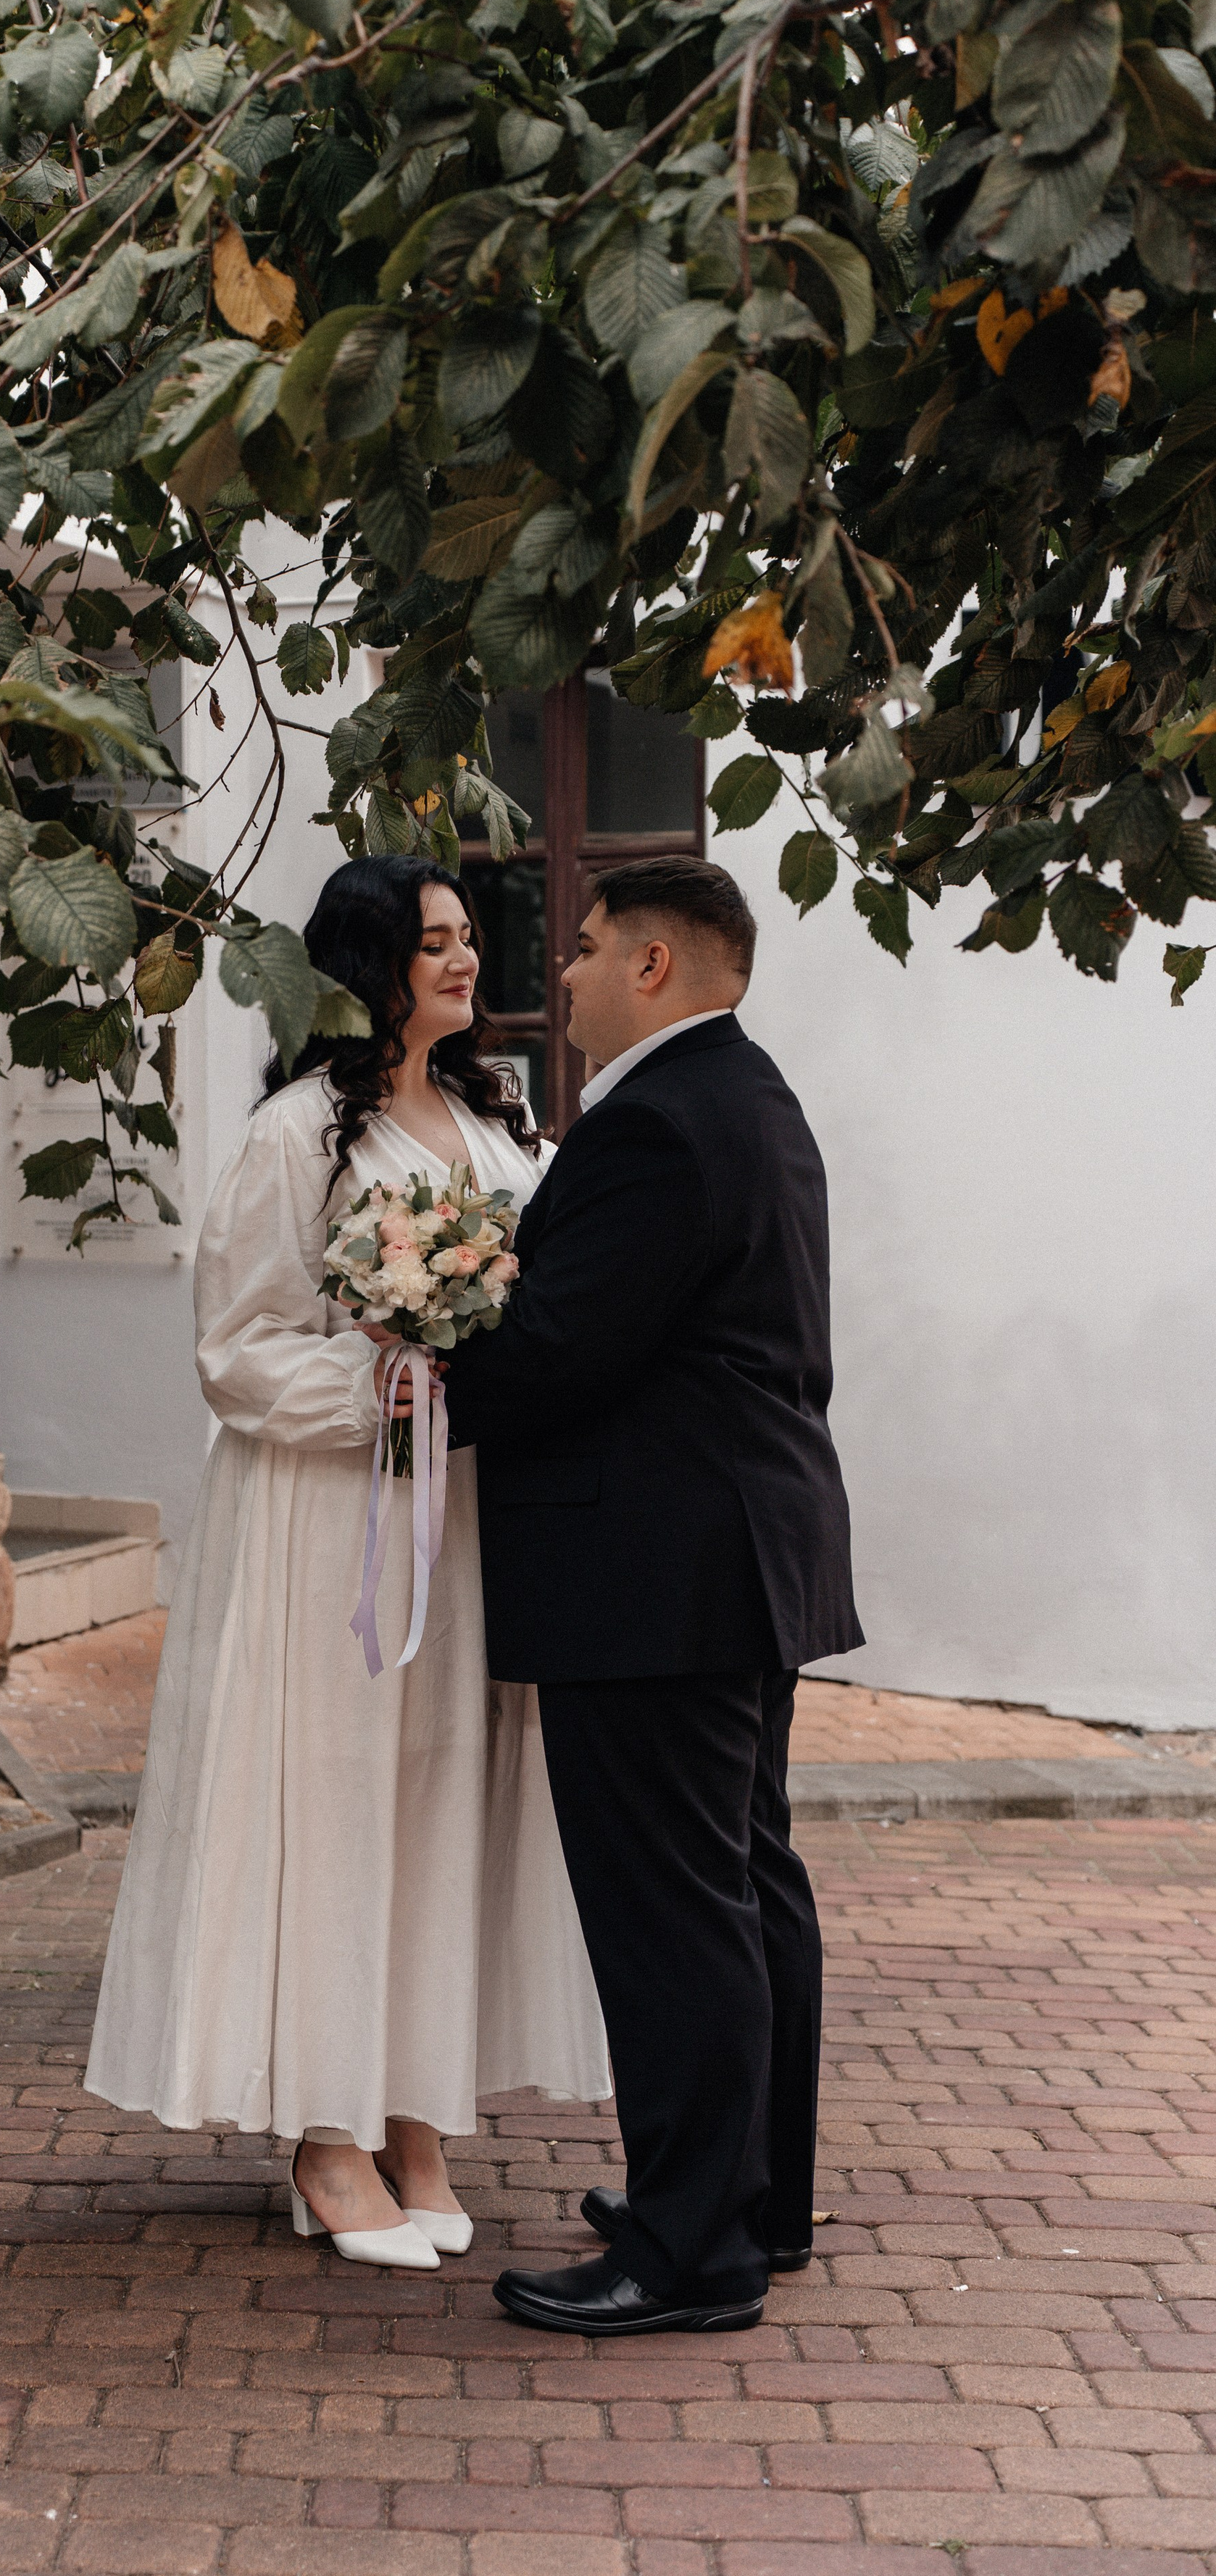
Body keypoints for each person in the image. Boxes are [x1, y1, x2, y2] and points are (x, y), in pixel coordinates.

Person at [86, 855, 607, 2269]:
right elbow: (235, 1349)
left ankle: (415, 2114)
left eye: (467, 938)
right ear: (368, 965)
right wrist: (383, 1381)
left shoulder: (497, 1122)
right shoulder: (298, 1134)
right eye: (433, 942)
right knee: (331, 1800)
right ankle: (325, 2134)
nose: (464, 960)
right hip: (333, 1523)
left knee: (442, 1798)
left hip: (469, 1517)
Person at [446, 855, 861, 2338]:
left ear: (650, 965)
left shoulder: (661, 1122)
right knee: (743, 1889)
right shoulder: (750, 1096)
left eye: (580, 948)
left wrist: (420, 1357)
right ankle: (751, 2204)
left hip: (656, 1573)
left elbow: (561, 1349)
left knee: (673, 1914)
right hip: (735, 1556)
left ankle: (691, 2253)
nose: (556, 975)